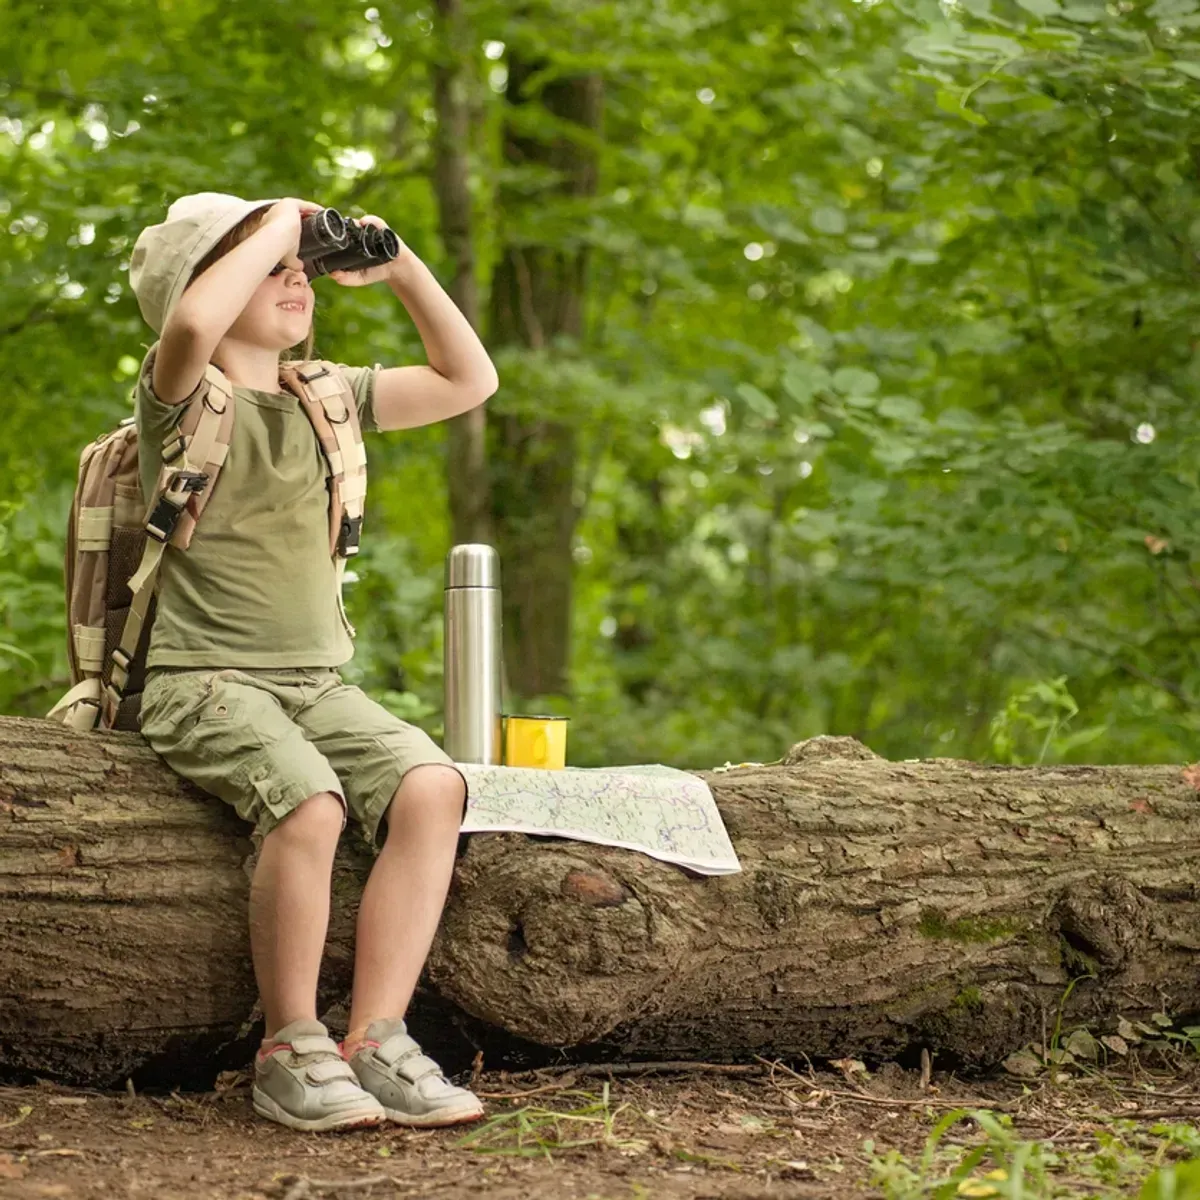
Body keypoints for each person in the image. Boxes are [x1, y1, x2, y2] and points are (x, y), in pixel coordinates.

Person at [127, 193, 498, 1132]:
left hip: (314, 684)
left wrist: (401, 266)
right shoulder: (180, 400)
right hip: (201, 681)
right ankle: (291, 1043)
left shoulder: (327, 396)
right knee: (309, 798)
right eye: (271, 266)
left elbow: (469, 380)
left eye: (301, 266)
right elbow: (197, 321)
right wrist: (279, 225)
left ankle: (378, 1035)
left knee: (430, 786)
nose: (297, 274)